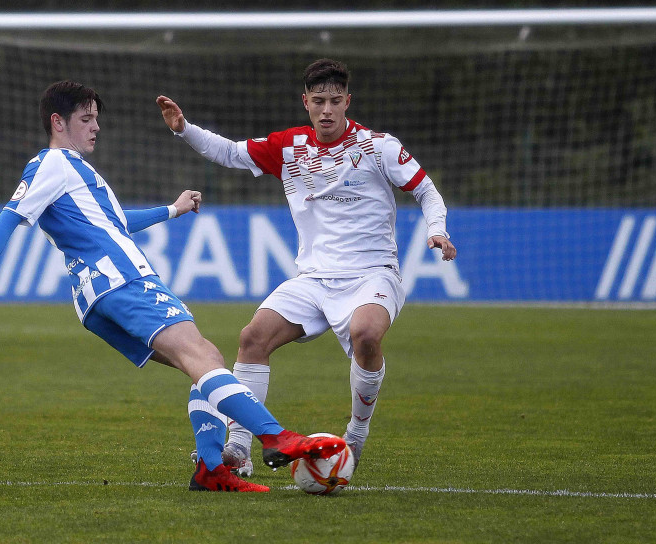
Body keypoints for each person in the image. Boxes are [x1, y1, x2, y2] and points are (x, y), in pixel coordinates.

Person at [0, 80, 345, 493]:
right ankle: (276, 437)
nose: (96, 128)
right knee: (200, 355)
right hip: (122, 280)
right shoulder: (54, 164)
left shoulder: (72, 172)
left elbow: (115, 221)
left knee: (203, 359)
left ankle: (211, 469)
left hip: (95, 299)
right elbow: (9, 217)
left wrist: (172, 210)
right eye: (86, 119)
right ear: (58, 122)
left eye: (96, 119)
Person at [156, 58, 456, 476]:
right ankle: (239, 448)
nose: (328, 109)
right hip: (313, 279)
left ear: (348, 101)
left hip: (373, 273)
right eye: (319, 101)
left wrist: (437, 230)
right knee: (251, 338)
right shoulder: (289, 146)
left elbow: (426, 191)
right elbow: (228, 152)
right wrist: (184, 129)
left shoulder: (377, 146)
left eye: (335, 101)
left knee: (366, 334)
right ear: (306, 103)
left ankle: (356, 433)